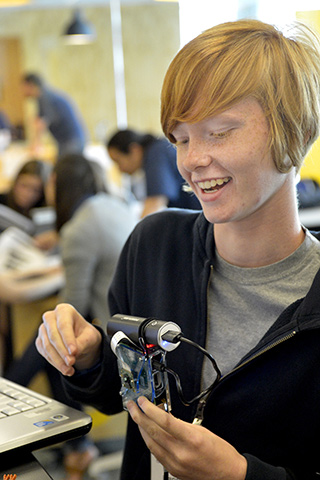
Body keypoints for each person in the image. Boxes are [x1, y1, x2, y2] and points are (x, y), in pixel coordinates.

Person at [35, 18, 320, 480]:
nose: (192, 160)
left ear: (293, 130)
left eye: (219, 132)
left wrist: (240, 476)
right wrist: (89, 356)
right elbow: (120, 391)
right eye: (181, 138)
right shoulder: (153, 245)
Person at [7, 153, 137, 480]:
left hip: (116, 345)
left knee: (51, 335)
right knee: (54, 359)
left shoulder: (79, 229)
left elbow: (70, 309)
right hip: (134, 325)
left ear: (58, 184)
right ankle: (77, 446)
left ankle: (9, 392)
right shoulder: (108, 204)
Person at [107, 129, 201, 217]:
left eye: (118, 161)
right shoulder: (157, 150)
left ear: (134, 150)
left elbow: (154, 203)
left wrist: (136, 232)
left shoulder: (156, 154)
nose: (120, 169)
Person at [22, 73, 87, 158]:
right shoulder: (43, 96)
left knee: (65, 169)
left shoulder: (45, 97)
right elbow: (39, 120)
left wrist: (36, 145)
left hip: (72, 142)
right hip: (67, 141)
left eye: (23, 87)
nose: (22, 90)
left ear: (30, 85)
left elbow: (42, 124)